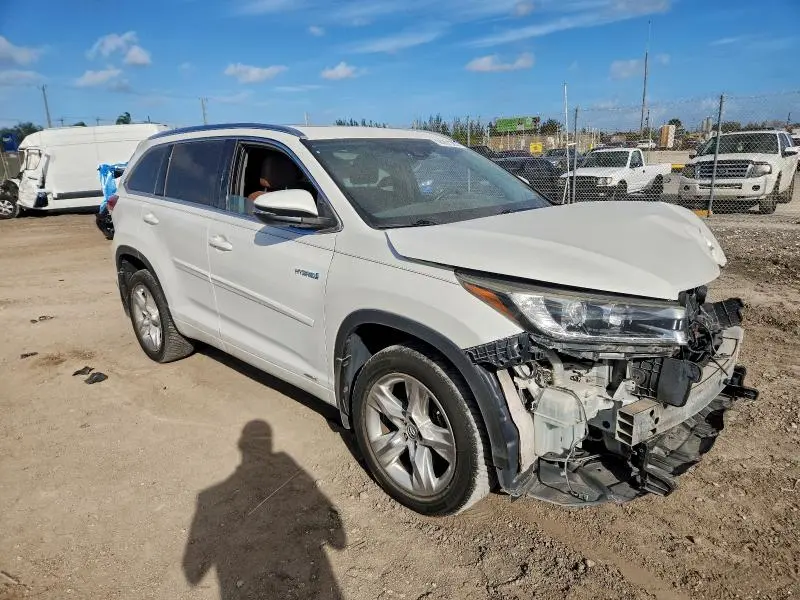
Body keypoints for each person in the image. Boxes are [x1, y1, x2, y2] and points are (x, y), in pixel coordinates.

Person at [183, 420, 346, 599]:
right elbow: (339, 542)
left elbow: (192, 575)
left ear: (241, 446)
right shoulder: (286, 463)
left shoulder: (208, 496)